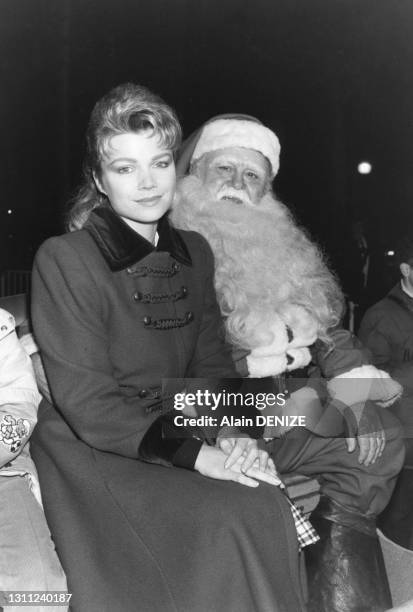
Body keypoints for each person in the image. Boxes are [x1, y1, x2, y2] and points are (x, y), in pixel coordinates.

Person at [30, 84, 308, 612]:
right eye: (125, 167)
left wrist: (234, 435)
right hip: (94, 443)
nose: (147, 182)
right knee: (230, 517)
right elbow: (89, 402)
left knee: (264, 500)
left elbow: (211, 363)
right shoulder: (64, 257)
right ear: (98, 178)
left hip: (182, 419)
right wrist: (201, 456)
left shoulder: (194, 251)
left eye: (159, 162)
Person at [171, 113, 406, 612]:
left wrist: (359, 401)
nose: (238, 185)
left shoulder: (279, 249)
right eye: (225, 169)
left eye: (252, 175)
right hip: (210, 412)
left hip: (282, 408)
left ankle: (341, 599)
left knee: (379, 437)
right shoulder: (171, 245)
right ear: (195, 174)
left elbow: (329, 331)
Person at [0, 308, 67, 611]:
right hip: (126, 426)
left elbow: (18, 404)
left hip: (5, 469)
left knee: (38, 587)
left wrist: (231, 425)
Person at [359, 236, 413, 550]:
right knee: (399, 529)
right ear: (406, 269)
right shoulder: (381, 315)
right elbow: (369, 381)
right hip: (404, 440)